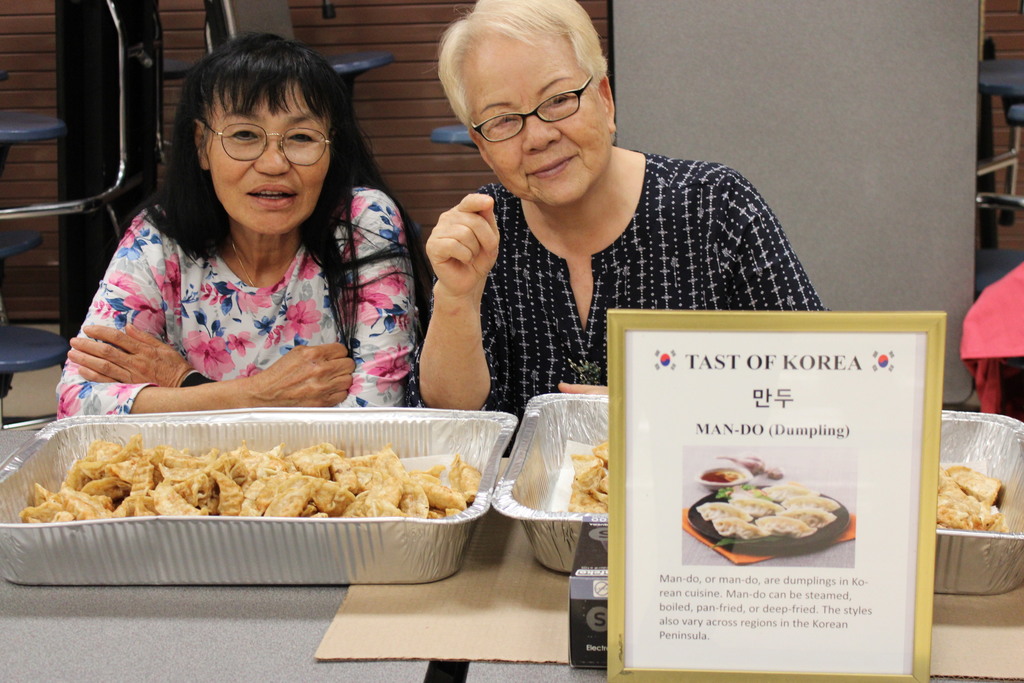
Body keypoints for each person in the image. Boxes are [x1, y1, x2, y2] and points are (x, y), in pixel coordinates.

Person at [407, 0, 824, 419]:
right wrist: (456, 299)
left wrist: (648, 412)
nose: (537, 137)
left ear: (605, 100)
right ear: (482, 147)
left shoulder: (716, 207)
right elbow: (449, 425)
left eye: (557, 100)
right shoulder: (482, 232)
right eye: (503, 121)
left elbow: (819, 377)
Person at [57, 33, 430, 417]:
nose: (273, 164)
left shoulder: (362, 224)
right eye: (245, 135)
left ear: (331, 148)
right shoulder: (160, 238)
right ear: (202, 145)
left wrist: (185, 387)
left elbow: (377, 415)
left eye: (301, 137)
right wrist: (254, 395)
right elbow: (78, 404)